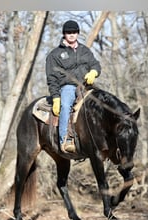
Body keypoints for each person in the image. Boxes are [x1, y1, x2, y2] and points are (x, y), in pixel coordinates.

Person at [46, 20, 101, 153]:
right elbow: (52, 78)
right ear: (64, 34)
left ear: (77, 33)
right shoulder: (55, 54)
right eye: (68, 32)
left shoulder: (84, 50)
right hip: (68, 87)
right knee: (66, 106)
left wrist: (94, 72)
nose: (71, 34)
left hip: (87, 85)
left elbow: (95, 64)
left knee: (103, 103)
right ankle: (64, 140)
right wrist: (56, 98)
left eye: (74, 32)